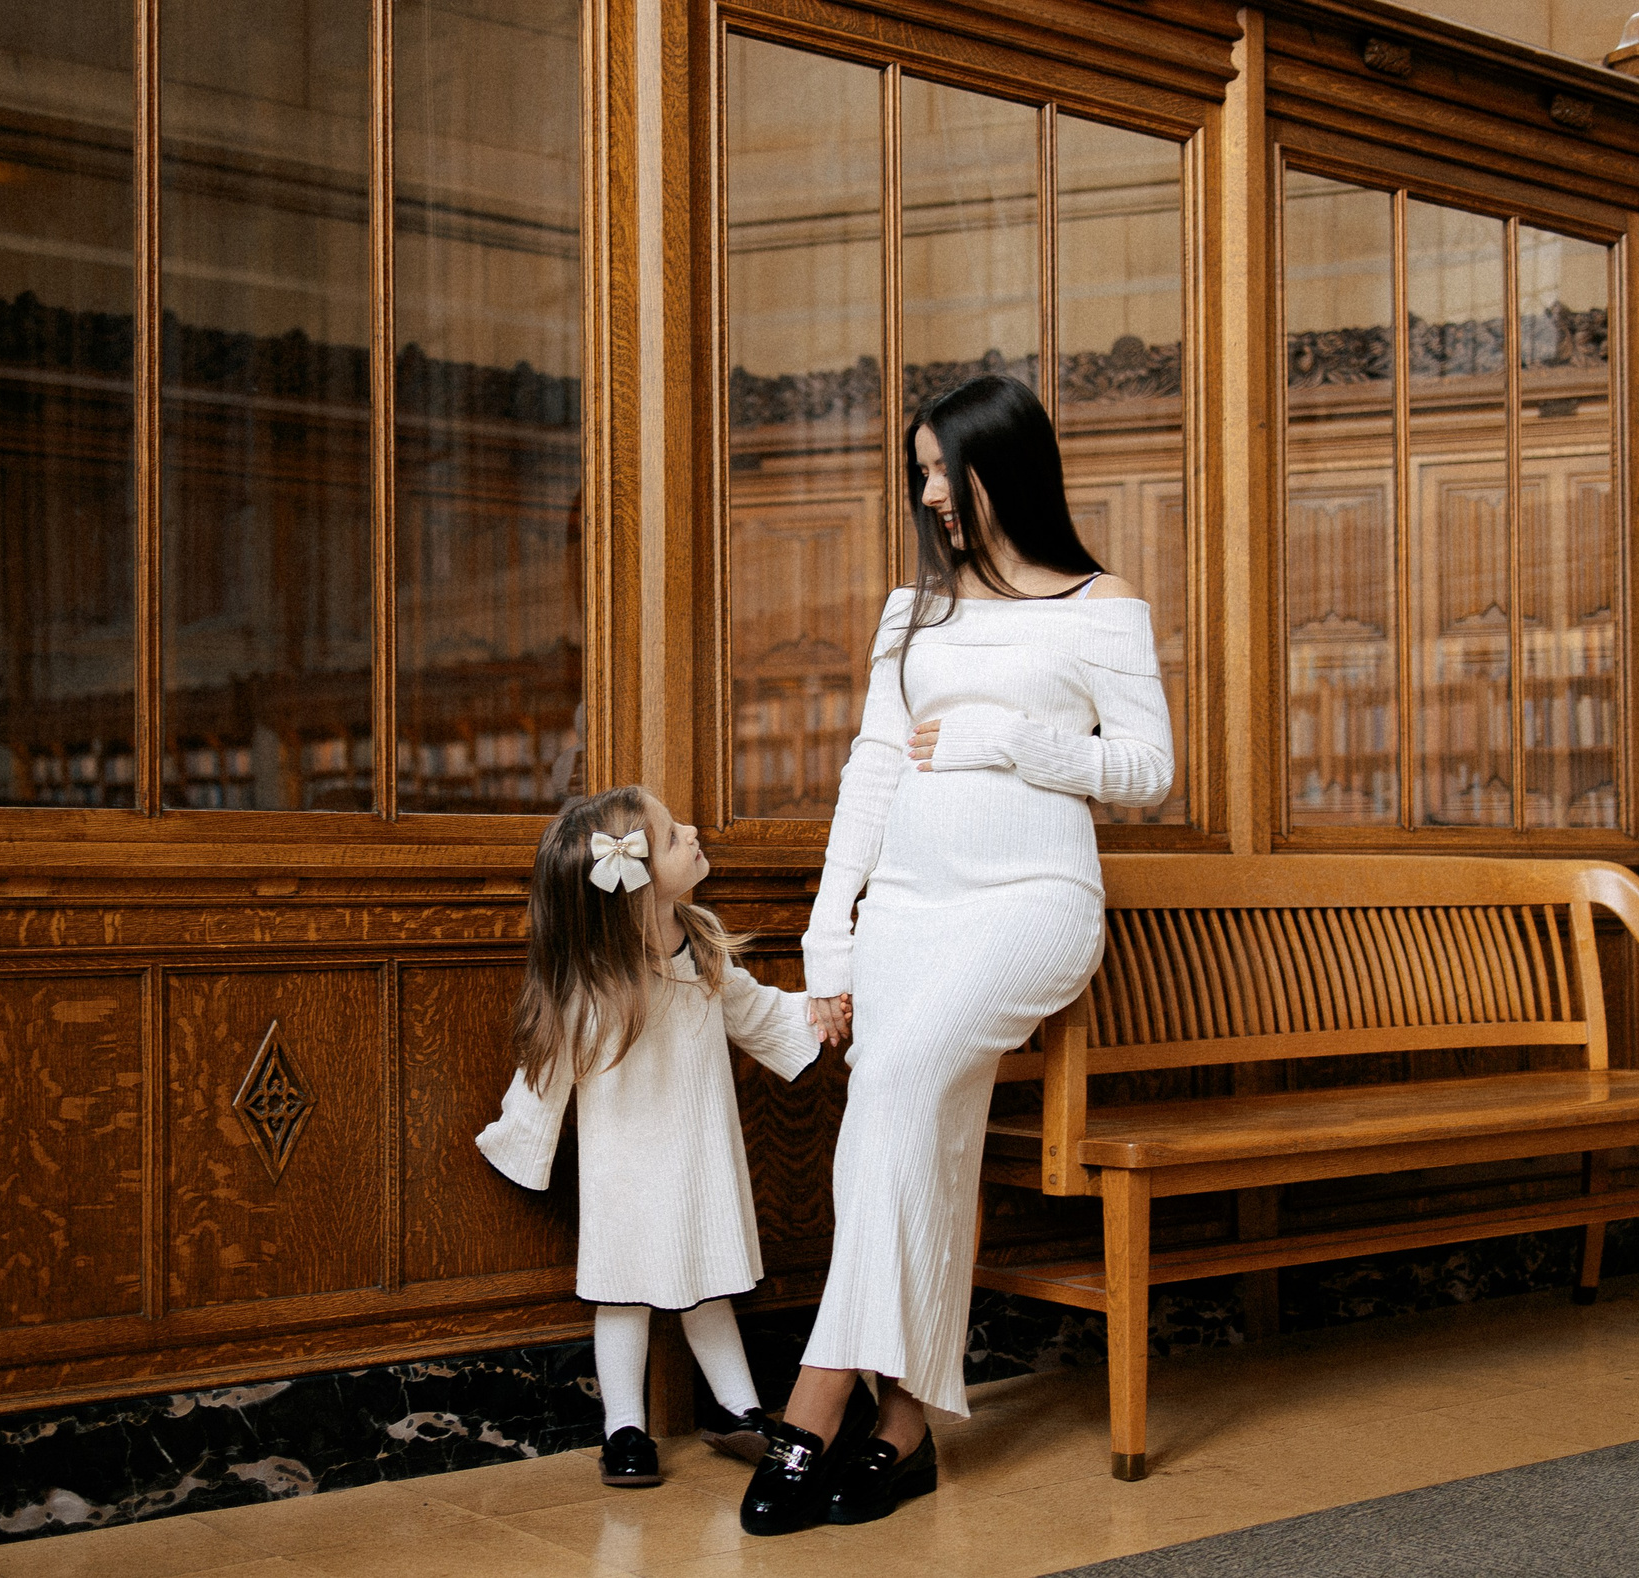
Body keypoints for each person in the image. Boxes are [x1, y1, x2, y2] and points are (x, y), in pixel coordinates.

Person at [741, 374, 1174, 1534]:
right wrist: (828, 937)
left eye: (946, 469)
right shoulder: (912, 612)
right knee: (915, 1135)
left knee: (891, 1085)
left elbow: (1147, 770)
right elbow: (872, 770)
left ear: (1005, 467)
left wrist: (1012, 739)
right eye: (920, 471)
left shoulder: (1098, 603)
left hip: (1032, 905)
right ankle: (906, 1428)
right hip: (906, 910)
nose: (929, 492)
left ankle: (815, 1398)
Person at [477, 784, 831, 1487]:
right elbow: (545, 1073)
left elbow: (755, 1011)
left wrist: (819, 1016)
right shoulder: (591, 985)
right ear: (634, 885)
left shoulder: (702, 948)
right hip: (625, 1167)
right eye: (672, 835)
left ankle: (739, 1410)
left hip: (698, 1153)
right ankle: (624, 1428)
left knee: (709, 1280)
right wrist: (519, 1138)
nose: (694, 832)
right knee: (622, 1292)